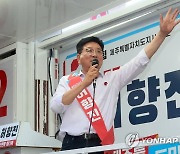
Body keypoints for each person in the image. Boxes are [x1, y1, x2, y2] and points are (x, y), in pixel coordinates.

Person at [50, 8, 180, 153]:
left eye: (99, 52)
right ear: (78, 57)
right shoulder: (67, 80)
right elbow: (56, 107)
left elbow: (139, 61)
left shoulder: (112, 79)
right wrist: (84, 83)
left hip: (99, 143)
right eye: (89, 50)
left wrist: (161, 34)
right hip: (71, 143)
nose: (95, 54)